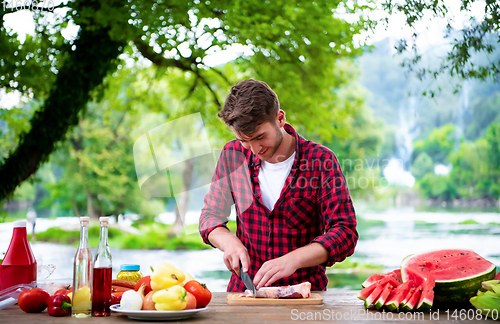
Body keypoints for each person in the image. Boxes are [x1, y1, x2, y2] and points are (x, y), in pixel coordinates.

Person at [199, 79, 358, 292]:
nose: (254, 149)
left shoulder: (321, 161)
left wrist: (294, 259)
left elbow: (345, 232)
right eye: (244, 140)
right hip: (244, 294)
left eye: (259, 137)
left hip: (304, 295)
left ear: (280, 118)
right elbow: (210, 215)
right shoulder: (233, 155)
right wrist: (229, 242)